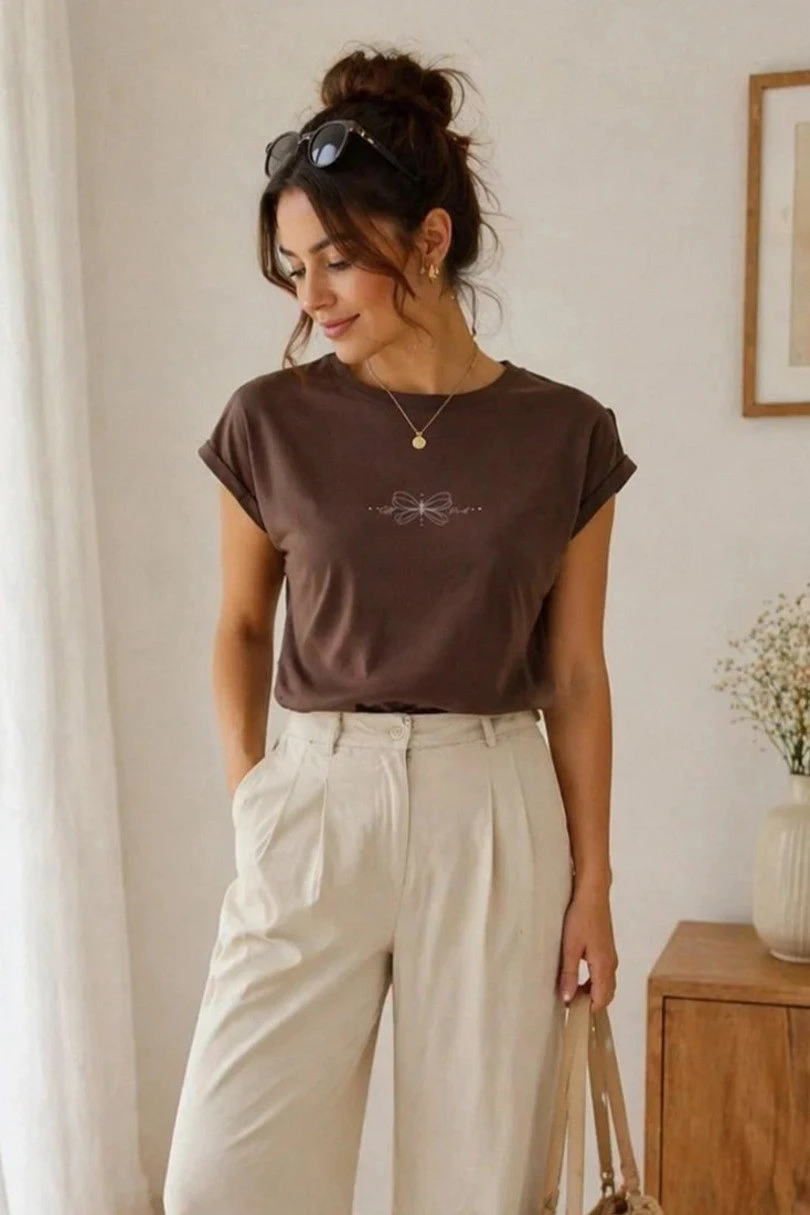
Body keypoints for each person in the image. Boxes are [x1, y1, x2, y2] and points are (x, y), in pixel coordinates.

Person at [163, 42, 637, 1215]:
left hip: (494, 808)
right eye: (293, 268)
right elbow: (239, 627)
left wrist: (593, 884)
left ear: (430, 239)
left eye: (336, 260)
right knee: (223, 1183)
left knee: (480, 1186)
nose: (310, 298)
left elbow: (576, 674)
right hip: (316, 797)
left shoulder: (566, 433)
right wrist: (255, 800)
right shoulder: (268, 421)